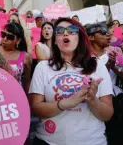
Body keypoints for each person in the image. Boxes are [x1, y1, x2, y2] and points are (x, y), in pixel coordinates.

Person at [29, 17, 113, 145]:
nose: (65, 33)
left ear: (79, 38)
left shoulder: (98, 66)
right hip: (48, 141)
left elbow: (107, 115)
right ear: (55, 41)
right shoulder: (43, 67)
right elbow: (36, 108)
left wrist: (92, 99)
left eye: (72, 30)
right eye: (60, 31)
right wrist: (65, 103)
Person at [0, 23, 31, 93]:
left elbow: (27, 81)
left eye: (10, 37)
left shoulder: (25, 57)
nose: (5, 39)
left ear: (18, 40)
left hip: (16, 95)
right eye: (3, 34)